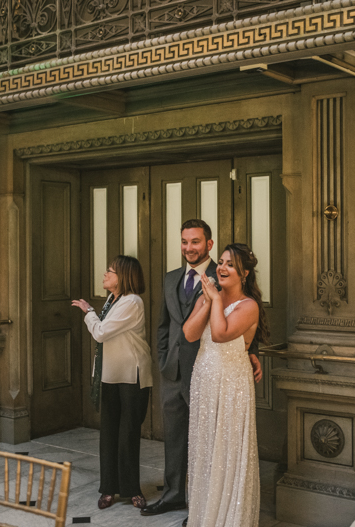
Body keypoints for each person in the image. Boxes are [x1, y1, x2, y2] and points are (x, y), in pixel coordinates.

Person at [142, 220, 262, 520]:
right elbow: (170, 328)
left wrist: (251, 351)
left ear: (208, 243)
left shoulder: (219, 281)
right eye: (184, 241)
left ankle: (215, 507)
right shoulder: (171, 279)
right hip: (182, 372)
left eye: (195, 241)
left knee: (219, 446)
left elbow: (238, 330)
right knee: (187, 440)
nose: (188, 247)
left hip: (223, 373)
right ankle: (177, 497)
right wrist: (163, 359)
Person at [183, 243, 269, 527]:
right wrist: (208, 301)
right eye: (220, 262)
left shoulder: (249, 306)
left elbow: (220, 334)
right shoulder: (208, 297)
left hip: (232, 383)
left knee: (227, 450)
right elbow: (190, 333)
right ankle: (204, 515)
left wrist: (216, 302)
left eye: (230, 264)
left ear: (244, 273)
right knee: (206, 449)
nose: (221, 268)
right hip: (204, 381)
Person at [71, 255, 152, 511]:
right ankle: (108, 489)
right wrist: (95, 313)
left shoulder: (133, 302)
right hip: (109, 374)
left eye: (110, 271)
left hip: (132, 376)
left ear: (124, 276)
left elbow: (101, 332)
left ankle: (131, 490)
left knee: (128, 435)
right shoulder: (112, 299)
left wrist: (88, 312)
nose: (105, 275)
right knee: (108, 433)